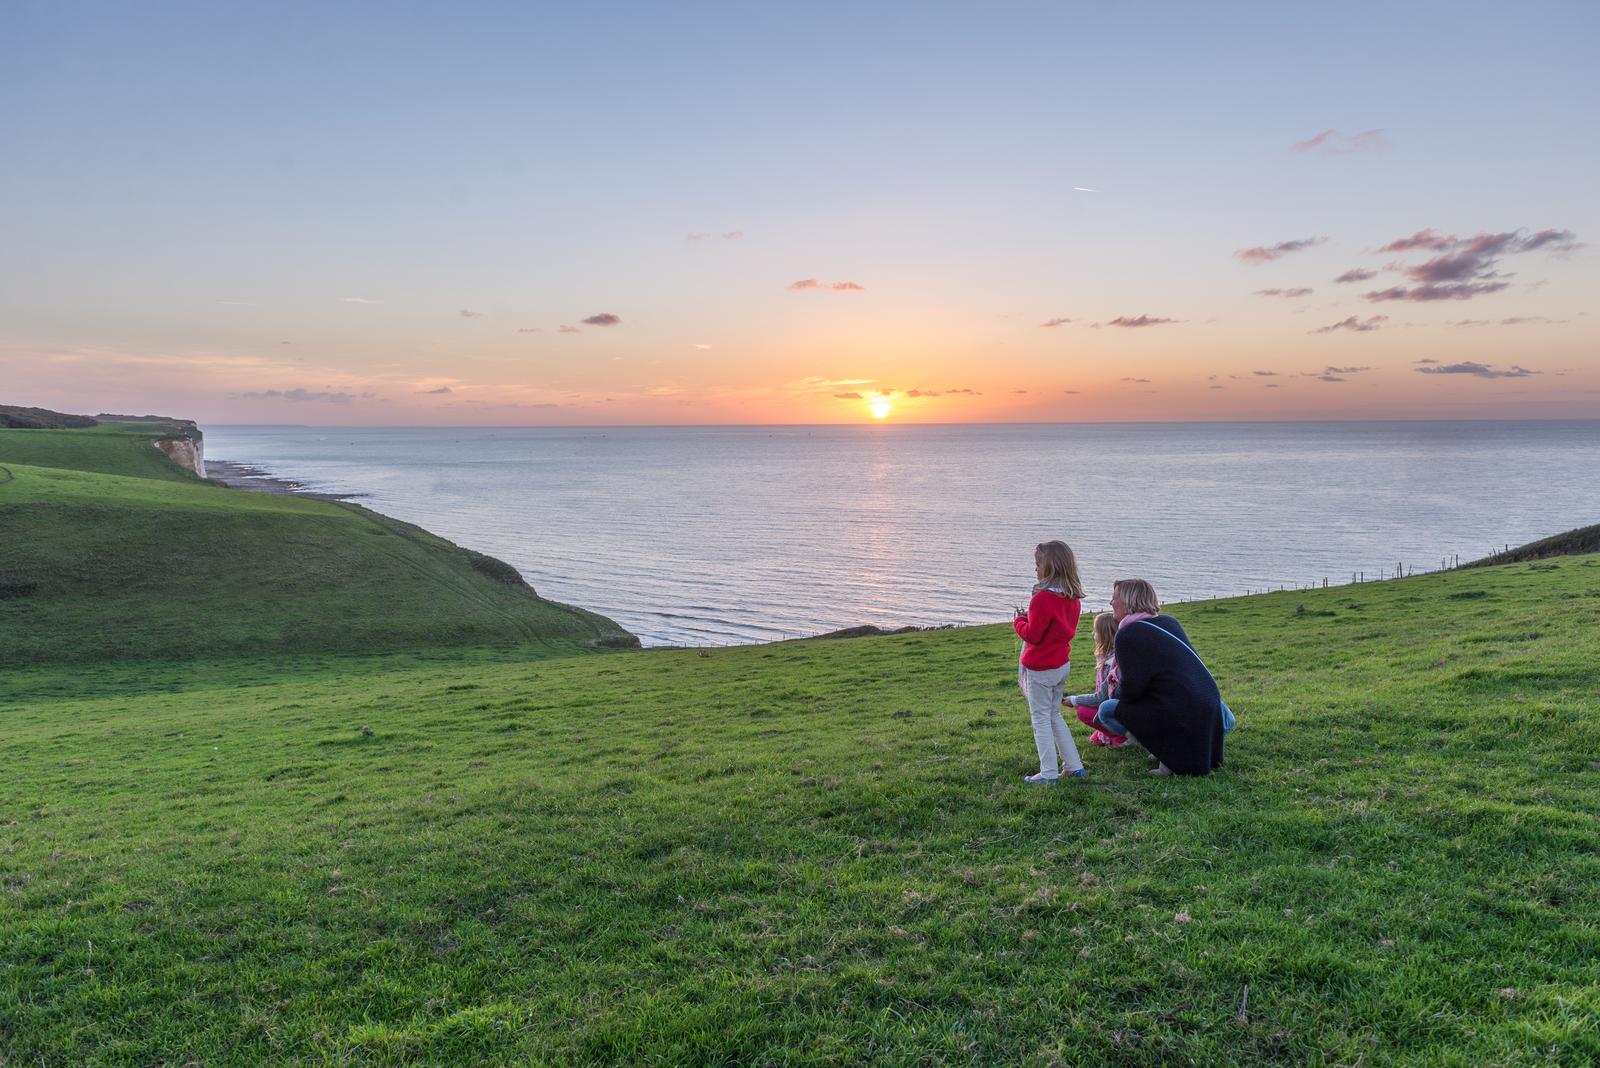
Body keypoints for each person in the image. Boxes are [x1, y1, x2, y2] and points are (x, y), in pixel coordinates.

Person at [1093, 578, 1225, 776]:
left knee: (1108, 709)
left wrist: (1112, 692)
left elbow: (1132, 688)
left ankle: (1168, 757)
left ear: (1128, 601)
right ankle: (1169, 751)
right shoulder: (1169, 622)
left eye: (1114, 598)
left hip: (1178, 710)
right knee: (1153, 702)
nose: (1111, 603)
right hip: (1207, 705)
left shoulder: (1128, 633)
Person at [1012, 540, 1086, 783]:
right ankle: (1074, 766)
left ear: (1049, 567)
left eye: (1038, 565)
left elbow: (1033, 635)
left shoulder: (1042, 600)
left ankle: (1048, 773)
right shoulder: (1072, 598)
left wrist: (1019, 621)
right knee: (1053, 715)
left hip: (1041, 667)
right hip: (1060, 664)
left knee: (1040, 719)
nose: (1035, 569)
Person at [1069, 612, 1129, 747]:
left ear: (1105, 634)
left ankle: (1121, 738)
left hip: (1119, 710)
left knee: (1083, 711)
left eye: (1095, 631)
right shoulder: (1117, 654)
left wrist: (1074, 700)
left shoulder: (1110, 663)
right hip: (1122, 708)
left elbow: (1101, 698)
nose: (1093, 634)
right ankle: (1107, 732)